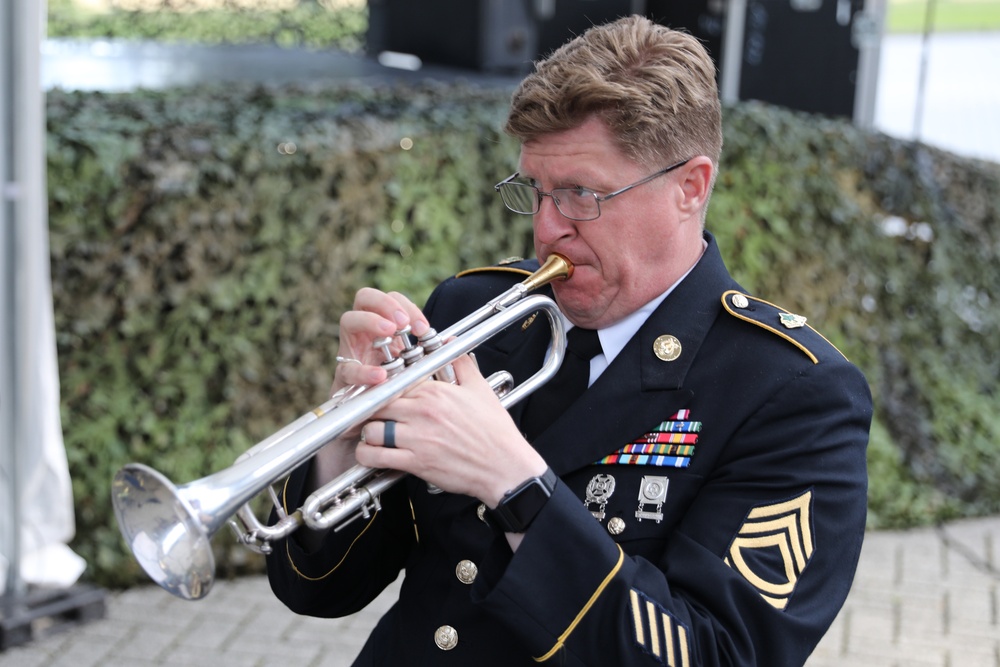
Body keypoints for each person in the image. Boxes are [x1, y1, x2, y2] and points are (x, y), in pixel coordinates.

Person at [266, 15, 872, 666]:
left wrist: (515, 482)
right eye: (537, 191)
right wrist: (342, 440)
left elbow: (716, 653)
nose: (549, 228)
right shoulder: (471, 311)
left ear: (689, 188)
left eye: (582, 194)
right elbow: (319, 589)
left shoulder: (793, 393)